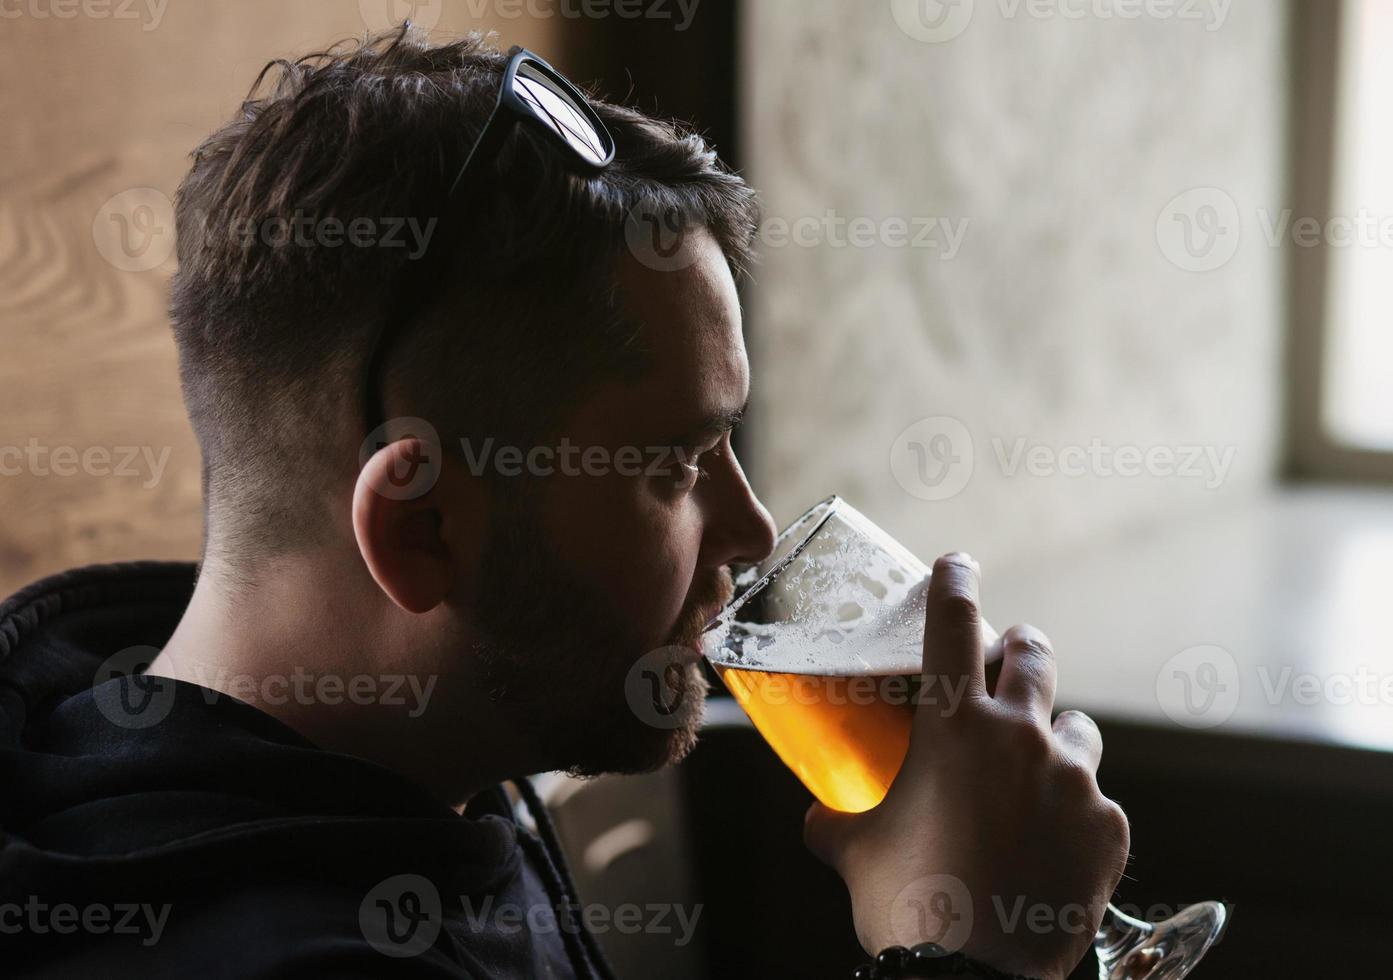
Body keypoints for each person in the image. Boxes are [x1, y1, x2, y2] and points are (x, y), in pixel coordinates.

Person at [0, 25, 1127, 980]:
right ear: (420, 525)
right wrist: (959, 949)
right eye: (676, 464)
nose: (745, 530)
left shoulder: (395, 765)